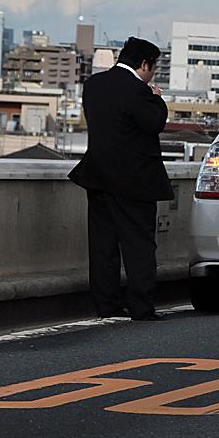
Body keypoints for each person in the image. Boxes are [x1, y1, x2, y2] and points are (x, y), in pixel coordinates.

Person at [69, 36, 174, 320]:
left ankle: (106, 305)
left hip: (98, 175)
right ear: (144, 64)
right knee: (138, 245)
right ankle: (141, 307)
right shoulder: (139, 92)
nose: (152, 74)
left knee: (103, 246)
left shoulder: (93, 86)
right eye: (153, 68)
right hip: (135, 181)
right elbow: (153, 123)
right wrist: (157, 99)